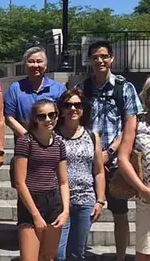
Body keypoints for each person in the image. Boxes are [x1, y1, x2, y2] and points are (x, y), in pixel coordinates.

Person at [75, 40, 143, 261]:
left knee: (120, 212)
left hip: (114, 161)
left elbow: (130, 123)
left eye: (104, 56)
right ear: (90, 61)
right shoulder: (83, 88)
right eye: (95, 57)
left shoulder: (125, 87)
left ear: (111, 58)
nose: (100, 61)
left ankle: (121, 256)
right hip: (87, 160)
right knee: (84, 210)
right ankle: (78, 252)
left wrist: (111, 151)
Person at [14, 99, 69, 261]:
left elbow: (64, 181)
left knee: (48, 256)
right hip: (31, 201)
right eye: (42, 116)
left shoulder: (59, 143)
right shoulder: (26, 141)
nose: (47, 120)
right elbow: (19, 182)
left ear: (58, 116)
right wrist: (36, 214)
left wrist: (65, 210)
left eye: (52, 115)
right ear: (35, 119)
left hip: (53, 201)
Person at [55, 89, 106, 261]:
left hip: (85, 200)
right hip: (60, 202)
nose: (73, 109)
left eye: (77, 105)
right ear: (61, 110)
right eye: (68, 105)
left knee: (77, 254)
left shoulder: (92, 136)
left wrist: (100, 200)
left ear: (83, 108)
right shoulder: (54, 136)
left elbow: (98, 171)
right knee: (58, 254)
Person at [118, 77, 150, 260]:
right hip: (146, 197)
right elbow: (123, 158)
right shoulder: (136, 122)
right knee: (145, 252)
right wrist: (143, 189)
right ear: (146, 97)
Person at [5, 47, 66, 139]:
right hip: (25, 144)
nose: (35, 65)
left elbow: (64, 117)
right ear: (25, 65)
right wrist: (28, 138)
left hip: (52, 142)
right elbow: (9, 118)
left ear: (45, 65)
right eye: (31, 61)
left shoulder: (59, 89)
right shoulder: (15, 89)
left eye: (39, 61)